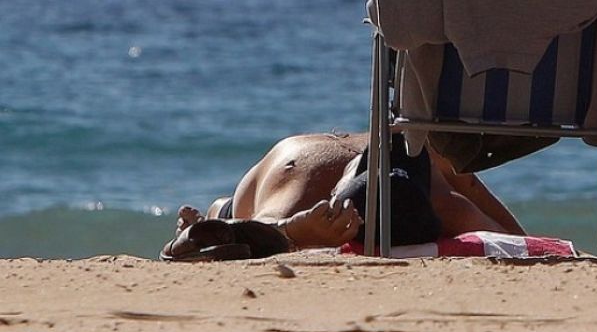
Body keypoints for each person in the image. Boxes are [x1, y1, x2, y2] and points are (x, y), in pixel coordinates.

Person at [168, 132, 526, 255]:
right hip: (292, 166)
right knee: (237, 215)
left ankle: (217, 211)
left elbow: (250, 234)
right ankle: (218, 211)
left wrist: (295, 231)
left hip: (295, 161)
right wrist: (292, 230)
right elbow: (518, 241)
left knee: (231, 214)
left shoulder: (426, 155)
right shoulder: (448, 206)